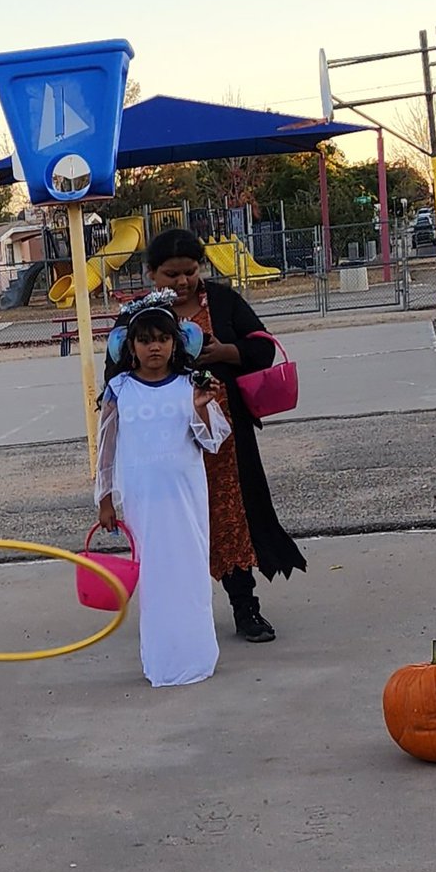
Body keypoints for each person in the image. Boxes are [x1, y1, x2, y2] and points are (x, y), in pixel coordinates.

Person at [107, 228, 306, 643]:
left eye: (190, 271)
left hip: (223, 439)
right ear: (151, 273)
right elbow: (115, 374)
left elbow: (262, 348)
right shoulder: (138, 316)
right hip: (164, 446)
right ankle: (177, 614)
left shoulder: (222, 300)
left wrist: (225, 353)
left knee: (231, 519)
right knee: (173, 529)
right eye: (171, 274)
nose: (182, 281)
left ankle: (245, 608)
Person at [96, 293, 230, 687]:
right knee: (154, 577)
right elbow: (106, 448)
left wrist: (202, 406)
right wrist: (105, 499)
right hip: (144, 500)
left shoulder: (191, 385)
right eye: (145, 340)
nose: (154, 347)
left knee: (189, 572)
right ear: (131, 346)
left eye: (162, 339)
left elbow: (212, 441)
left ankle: (196, 654)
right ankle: (162, 659)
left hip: (185, 497)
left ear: (175, 342)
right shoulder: (120, 389)